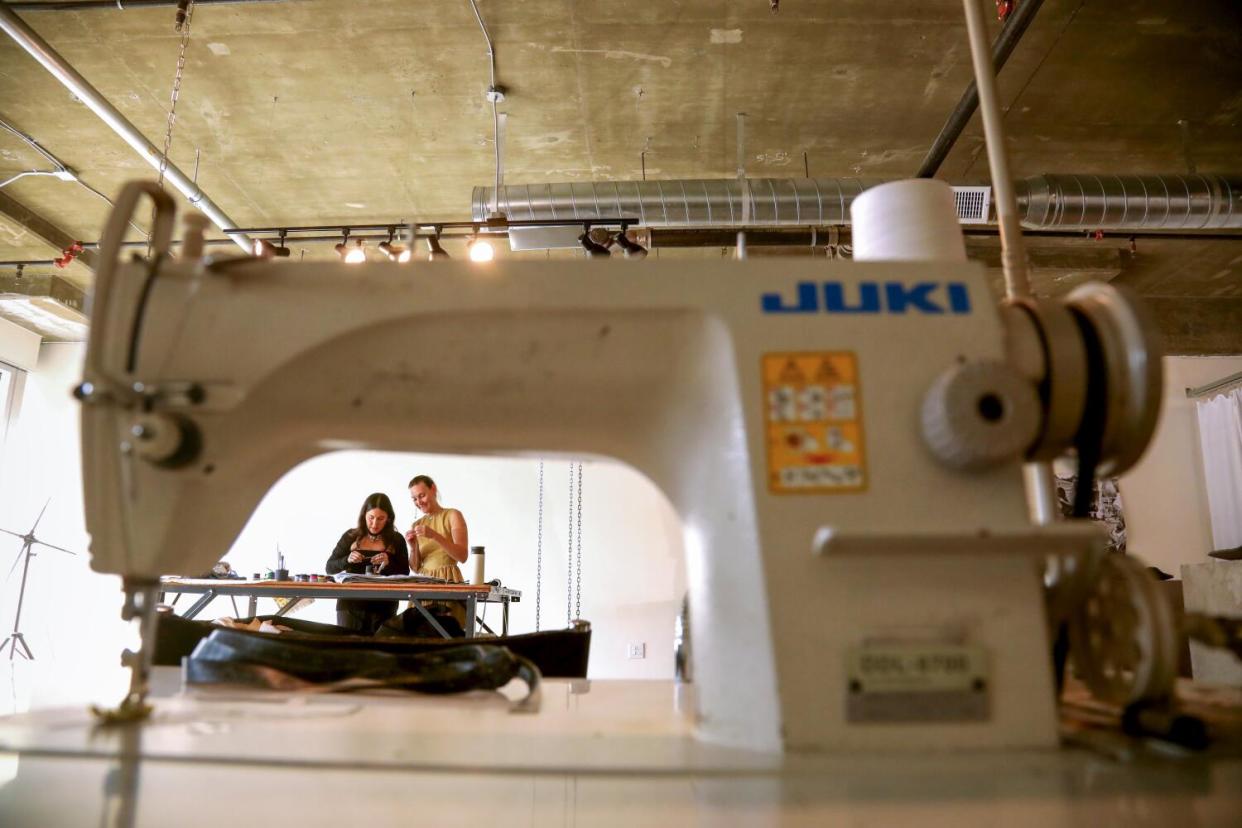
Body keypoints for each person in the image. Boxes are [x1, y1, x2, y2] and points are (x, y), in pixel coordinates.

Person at [326, 492, 410, 633]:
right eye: (371, 518)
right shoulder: (350, 536)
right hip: (350, 605)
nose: (374, 524)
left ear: (388, 519)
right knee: (348, 650)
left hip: (384, 606)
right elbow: (329, 568)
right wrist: (346, 559)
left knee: (379, 651)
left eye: (380, 519)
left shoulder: (396, 540)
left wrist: (388, 562)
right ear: (364, 515)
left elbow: (405, 572)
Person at [404, 475, 469, 630]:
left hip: (447, 580)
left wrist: (434, 535)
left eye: (422, 495)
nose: (419, 502)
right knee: (419, 633)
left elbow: (462, 556)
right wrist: (413, 547)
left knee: (446, 632)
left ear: (433, 489)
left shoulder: (453, 515)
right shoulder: (417, 524)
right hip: (423, 584)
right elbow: (415, 567)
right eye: (414, 499)